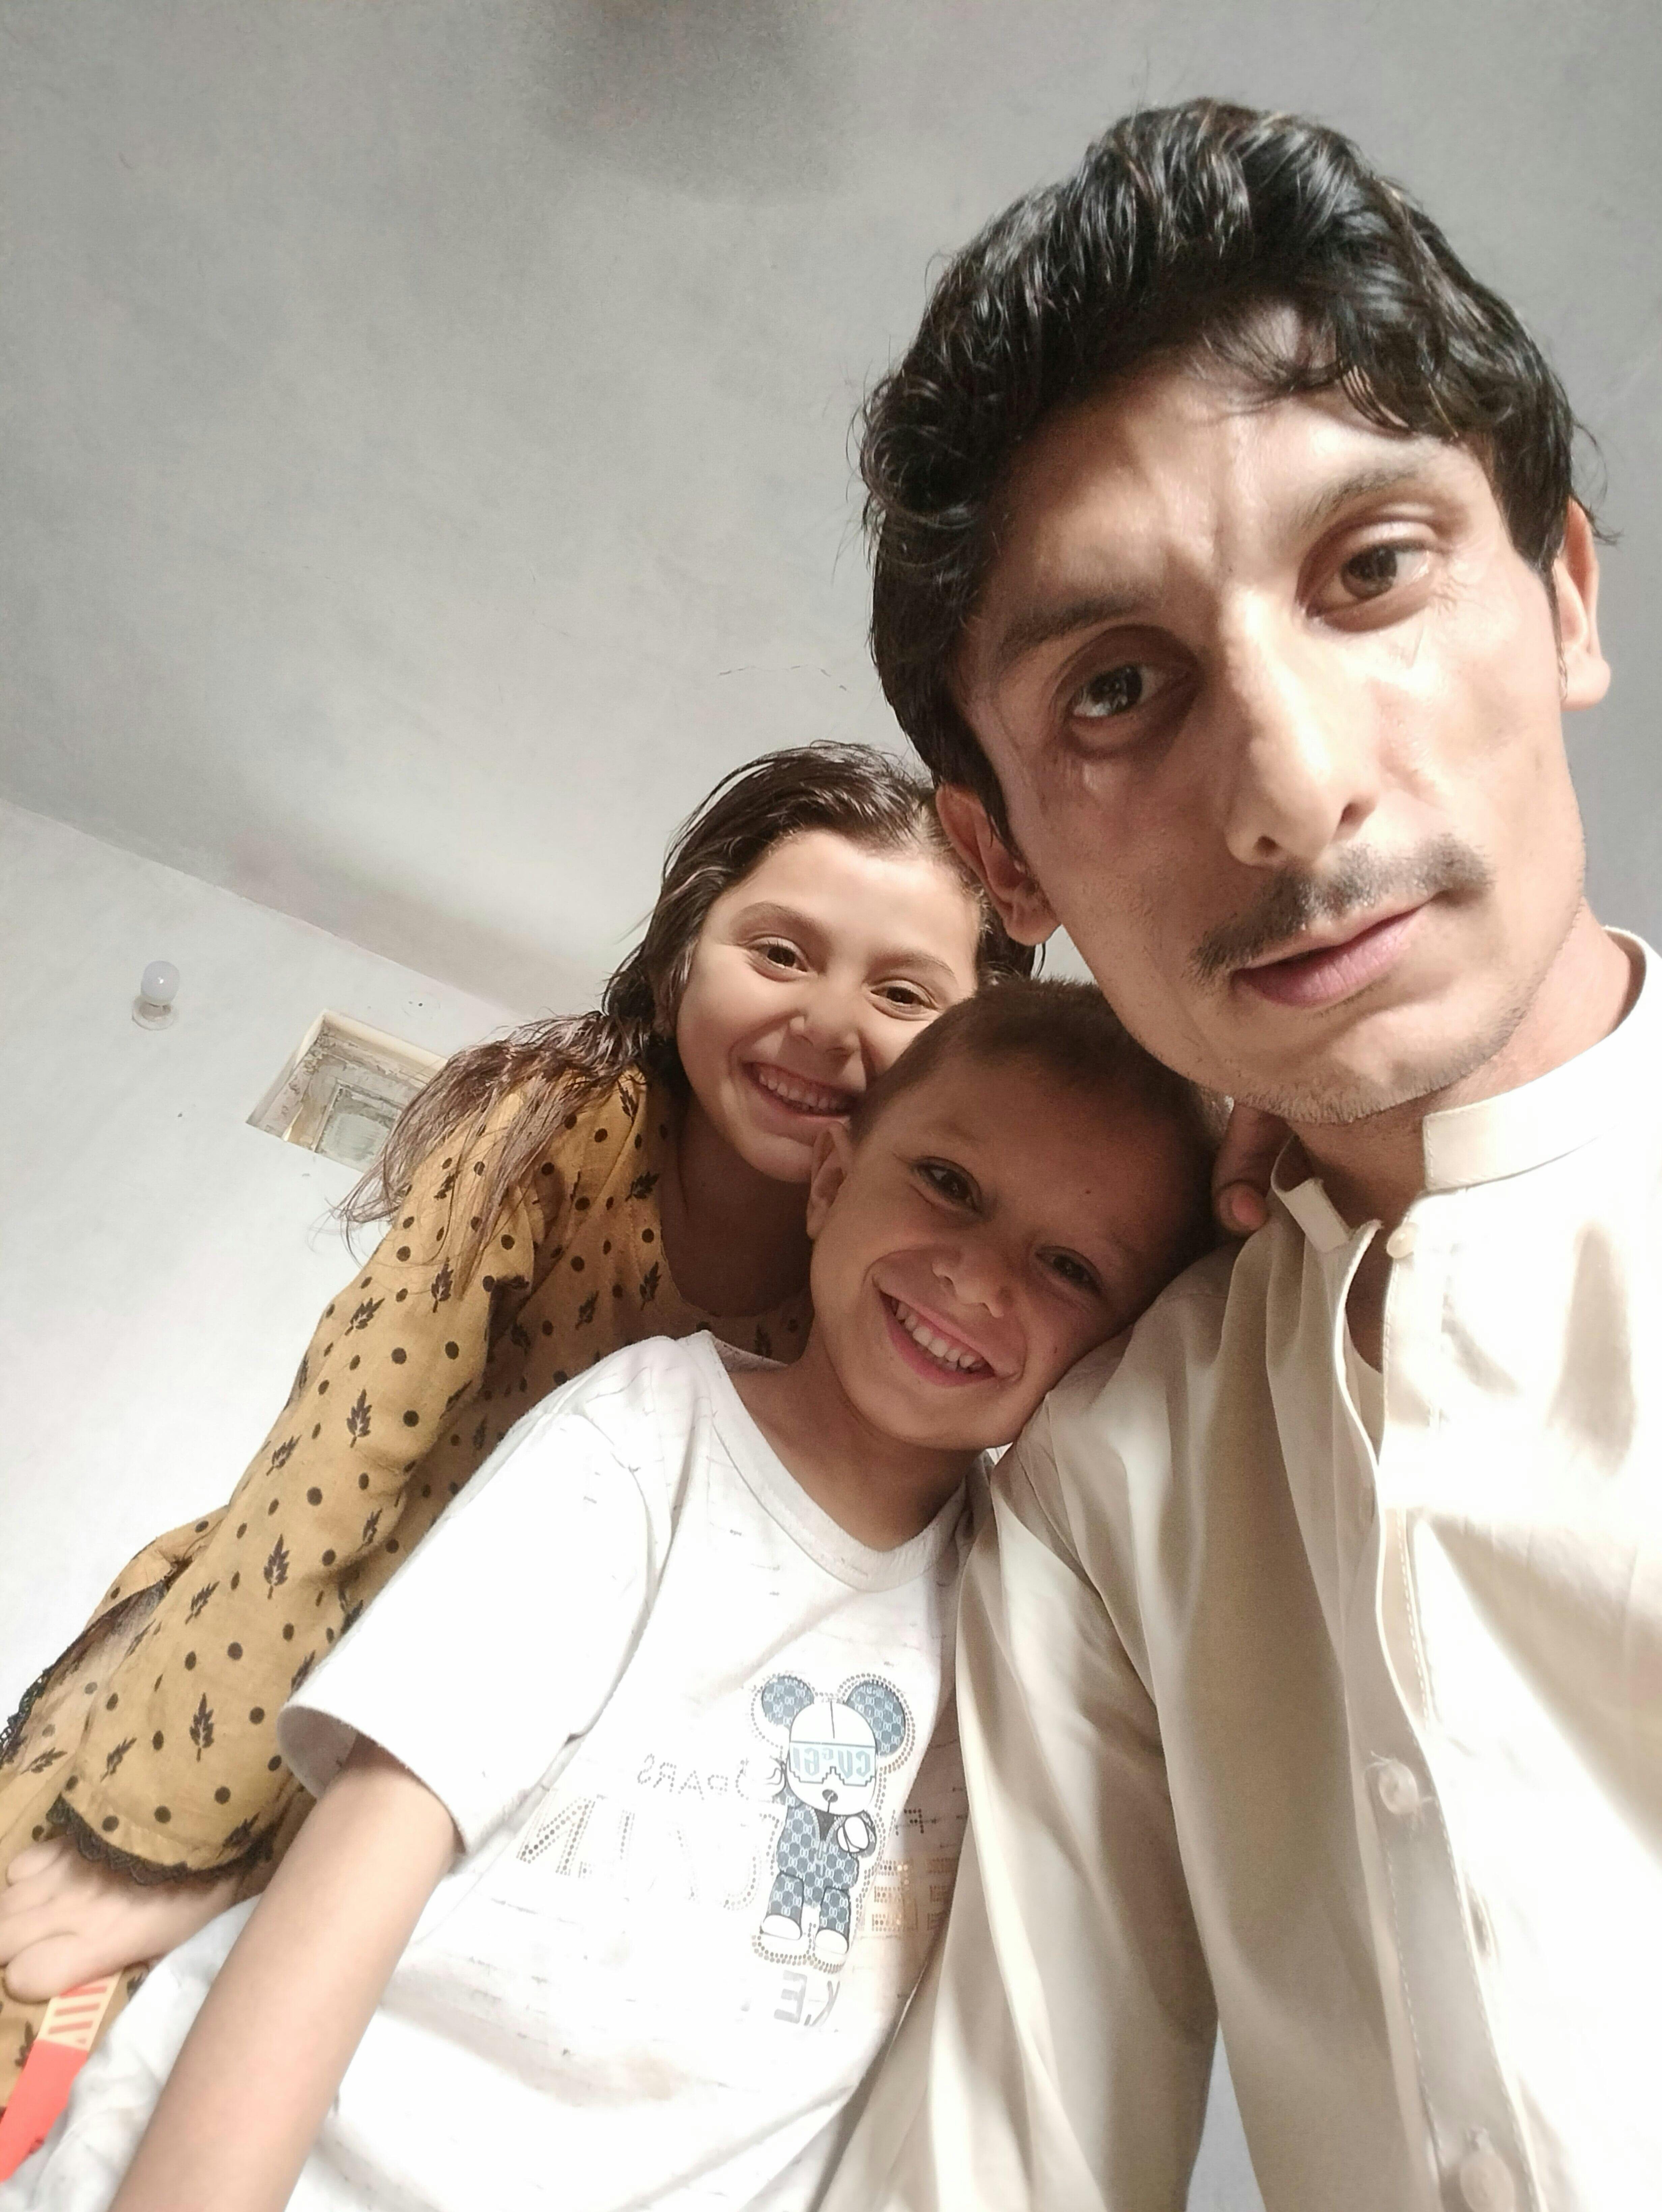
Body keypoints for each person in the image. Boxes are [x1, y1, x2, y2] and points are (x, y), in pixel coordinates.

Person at [820, 99, 1659, 2212]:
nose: (1289, 792)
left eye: (1372, 570)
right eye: (1118, 691)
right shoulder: (1111, 1473)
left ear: (1566, 597)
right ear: (1006, 860)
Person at [1, 980, 1217, 2212]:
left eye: (1071, 1267)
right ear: (833, 1181)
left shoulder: (1022, 1611)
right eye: (950, 1184)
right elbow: (362, 1863)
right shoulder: (645, 1440)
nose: (979, 1278)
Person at [0, 742, 1032, 2103]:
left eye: (901, 992)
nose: (830, 1023)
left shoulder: (890, 1286)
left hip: (496, 1795)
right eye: (780, 953)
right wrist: (150, 1834)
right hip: (256, 1680)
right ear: (681, 958)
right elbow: (330, 1477)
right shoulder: (555, 1131)